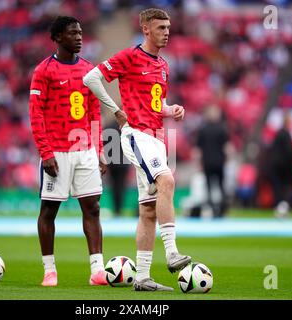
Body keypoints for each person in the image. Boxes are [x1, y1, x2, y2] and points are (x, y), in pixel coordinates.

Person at [84, 8, 191, 291]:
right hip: (136, 135)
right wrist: (116, 111)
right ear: (145, 29)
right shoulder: (129, 57)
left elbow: (158, 104)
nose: (166, 32)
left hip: (155, 137)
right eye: (160, 28)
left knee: (147, 211)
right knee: (166, 180)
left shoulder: (164, 65)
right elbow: (91, 79)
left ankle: (142, 276)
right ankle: (171, 253)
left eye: (168, 27)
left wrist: (171, 110)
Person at [29, 16, 108, 287]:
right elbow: (35, 114)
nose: (79, 37)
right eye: (73, 33)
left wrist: (99, 149)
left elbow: (95, 113)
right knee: (49, 210)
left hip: (85, 149)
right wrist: (45, 152)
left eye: (81, 32)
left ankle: (97, 270)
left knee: (93, 208)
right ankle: (49, 270)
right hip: (57, 151)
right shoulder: (44, 70)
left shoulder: (89, 70)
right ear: (58, 37)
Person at [195, 105, 230, 217]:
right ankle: (222, 209)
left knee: (209, 186)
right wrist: (227, 160)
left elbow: (198, 150)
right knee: (221, 186)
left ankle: (211, 208)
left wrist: (199, 163)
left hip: (207, 162)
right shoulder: (222, 129)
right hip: (219, 162)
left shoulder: (203, 130)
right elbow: (227, 148)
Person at [269, 111, 292, 217]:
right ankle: (283, 208)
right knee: (283, 188)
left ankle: (280, 207)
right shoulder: (285, 134)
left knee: (279, 188)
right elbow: (289, 153)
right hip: (282, 167)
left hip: (277, 166)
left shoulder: (279, 133)